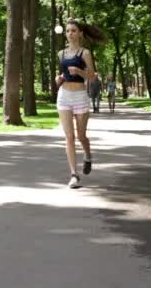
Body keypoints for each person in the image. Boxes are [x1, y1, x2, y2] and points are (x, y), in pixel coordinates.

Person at [56, 19, 105, 188]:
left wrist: (79, 71)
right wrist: (59, 78)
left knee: (81, 136)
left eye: (74, 30)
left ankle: (88, 155)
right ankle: (74, 175)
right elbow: (61, 75)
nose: (70, 33)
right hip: (63, 96)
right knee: (69, 137)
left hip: (80, 96)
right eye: (68, 31)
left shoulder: (85, 53)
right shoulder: (61, 54)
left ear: (80, 34)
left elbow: (92, 76)